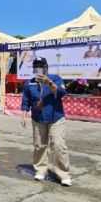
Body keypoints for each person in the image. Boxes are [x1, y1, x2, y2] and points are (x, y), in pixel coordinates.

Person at [21, 57, 72, 186]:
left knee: (58, 144)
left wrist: (49, 82)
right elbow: (26, 100)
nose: (39, 68)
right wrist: (23, 115)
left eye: (41, 66)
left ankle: (63, 173)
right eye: (36, 66)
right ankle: (40, 169)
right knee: (39, 145)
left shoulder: (55, 79)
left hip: (56, 118)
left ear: (46, 67)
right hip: (38, 118)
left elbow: (61, 93)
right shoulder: (29, 83)